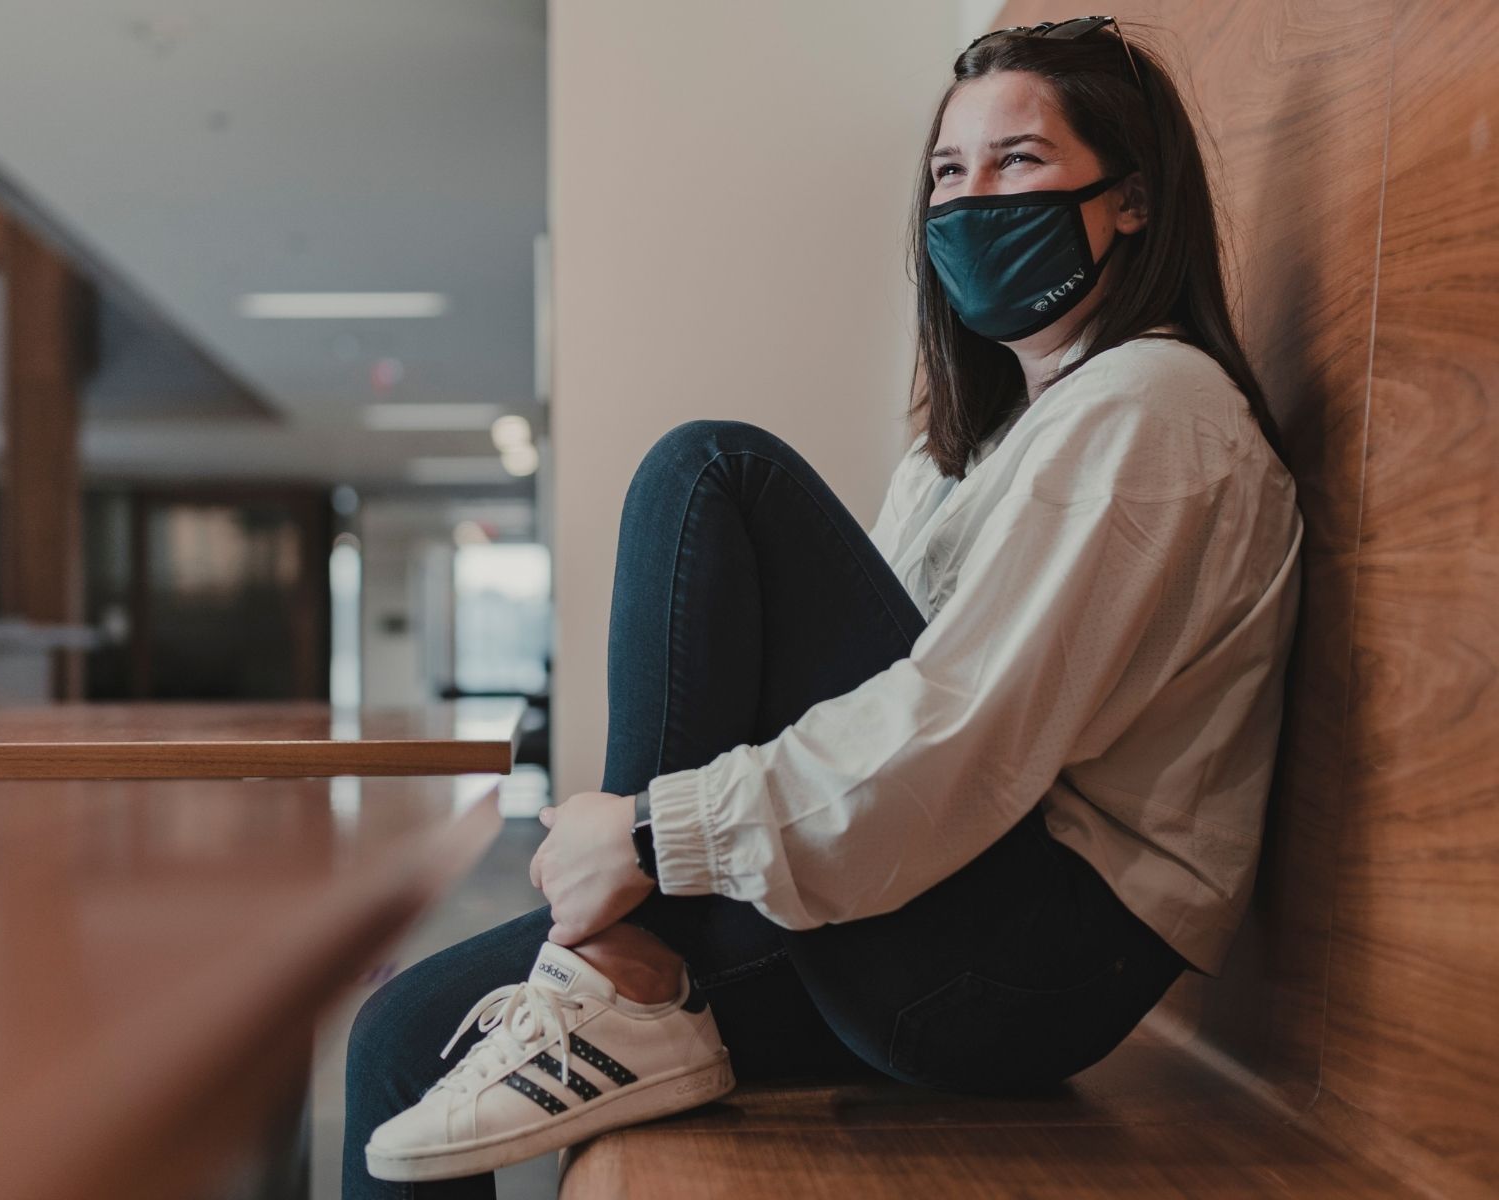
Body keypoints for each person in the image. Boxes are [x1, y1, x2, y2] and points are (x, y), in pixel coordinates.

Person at [344, 15, 1303, 1196]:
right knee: (403, 1042)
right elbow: (880, 719)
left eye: (1019, 164)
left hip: (1033, 965)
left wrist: (652, 834)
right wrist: (661, 840)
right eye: (949, 173)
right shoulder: (964, 452)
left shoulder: (1156, 407)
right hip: (937, 905)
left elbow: (961, 737)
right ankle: (618, 978)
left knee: (712, 474)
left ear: (1132, 202)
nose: (971, 202)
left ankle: (613, 976)